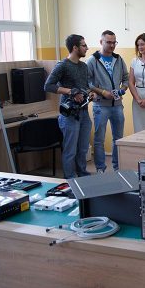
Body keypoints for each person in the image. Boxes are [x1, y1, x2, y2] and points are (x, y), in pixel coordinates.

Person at [44, 34, 93, 179]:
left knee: (83, 148)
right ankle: (70, 179)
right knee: (70, 150)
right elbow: (48, 86)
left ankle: (82, 175)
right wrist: (70, 91)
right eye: (84, 45)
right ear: (75, 48)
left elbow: (85, 86)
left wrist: (90, 93)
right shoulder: (62, 65)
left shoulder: (84, 66)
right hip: (69, 115)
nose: (87, 48)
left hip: (83, 113)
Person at [87, 30, 129, 172]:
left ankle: (117, 168)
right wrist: (102, 92)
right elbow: (87, 83)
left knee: (118, 138)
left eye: (114, 42)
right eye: (108, 42)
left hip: (117, 105)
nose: (112, 45)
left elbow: (126, 78)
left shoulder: (118, 59)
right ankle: (100, 169)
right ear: (101, 42)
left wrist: (123, 89)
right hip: (100, 106)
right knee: (99, 139)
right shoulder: (92, 60)